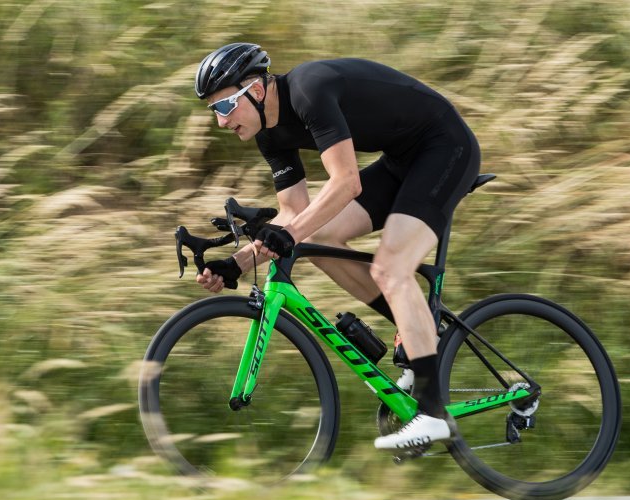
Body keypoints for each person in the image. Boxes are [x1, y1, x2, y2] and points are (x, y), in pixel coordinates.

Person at [193, 43, 480, 450]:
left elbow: (346, 182)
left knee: (391, 267)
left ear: (254, 90)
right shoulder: (268, 135)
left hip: (445, 148)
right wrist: (236, 264)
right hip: (402, 161)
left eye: (223, 108)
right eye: (213, 113)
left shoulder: (310, 90)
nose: (221, 123)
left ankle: (432, 414)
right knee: (319, 236)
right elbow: (294, 213)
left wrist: (289, 234)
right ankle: (417, 332)